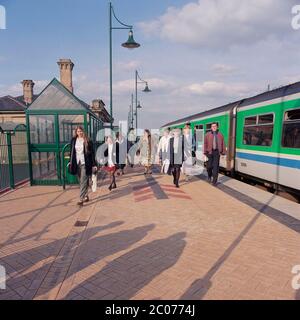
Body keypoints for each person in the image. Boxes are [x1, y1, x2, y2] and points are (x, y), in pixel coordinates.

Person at [69, 126, 97, 206]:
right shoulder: (73, 140)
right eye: (78, 131)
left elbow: (92, 153)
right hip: (76, 163)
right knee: (80, 181)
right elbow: (71, 152)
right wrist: (70, 162)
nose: (80, 133)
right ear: (76, 132)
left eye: (81, 131)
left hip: (85, 163)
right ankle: (86, 195)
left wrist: (94, 164)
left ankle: (81, 199)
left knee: (83, 180)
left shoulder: (88, 140)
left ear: (83, 131)